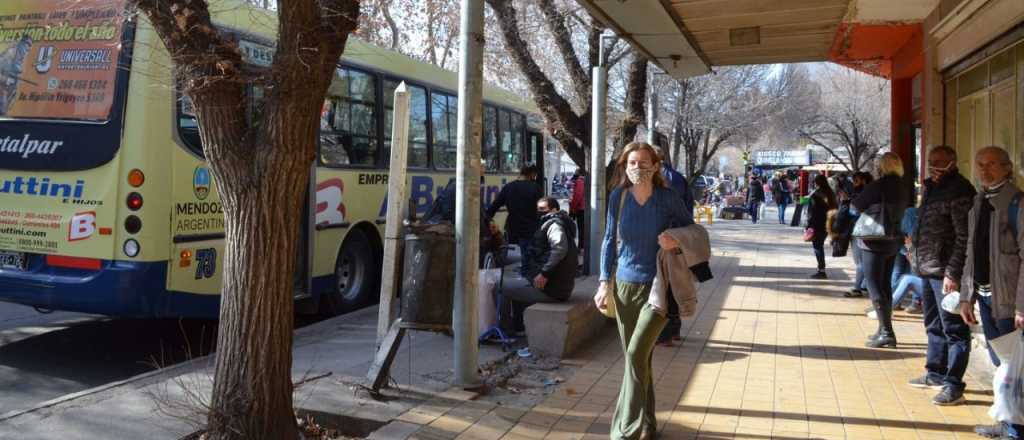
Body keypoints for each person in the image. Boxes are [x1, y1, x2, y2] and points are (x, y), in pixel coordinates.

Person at [593, 142, 693, 440]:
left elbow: (693, 230)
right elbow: (609, 240)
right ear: (625, 166)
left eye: (644, 162)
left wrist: (674, 240)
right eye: (632, 163)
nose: (638, 167)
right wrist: (603, 282)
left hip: (659, 287)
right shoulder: (618, 198)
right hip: (624, 287)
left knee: (636, 354)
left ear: (655, 165)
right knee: (640, 359)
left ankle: (625, 430)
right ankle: (649, 423)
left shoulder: (667, 198)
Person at [960, 146, 1024, 440]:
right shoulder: (979, 201)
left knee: (1016, 369)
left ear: (1007, 168)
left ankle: (1014, 430)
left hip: (1009, 301)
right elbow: (971, 253)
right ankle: (1006, 421)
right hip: (985, 297)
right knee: (1002, 366)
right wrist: (965, 295)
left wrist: (1022, 306)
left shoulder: (1017, 203)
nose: (984, 170)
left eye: (992, 165)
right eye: (980, 164)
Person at [910, 145, 975, 406]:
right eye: (931, 160)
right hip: (927, 268)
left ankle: (954, 384)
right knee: (933, 324)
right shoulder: (932, 187)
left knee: (955, 330)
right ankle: (935, 372)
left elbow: (963, 236)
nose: (934, 164)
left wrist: (953, 272)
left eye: (940, 161)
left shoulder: (960, 190)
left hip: (946, 272)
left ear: (953, 161)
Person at [852, 152, 909, 349]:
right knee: (885, 286)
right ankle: (883, 328)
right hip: (893, 240)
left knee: (874, 286)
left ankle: (886, 332)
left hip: (873, 240)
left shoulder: (878, 186)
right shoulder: (903, 186)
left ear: (882, 167)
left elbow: (857, 205)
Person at [499, 197, 578, 334]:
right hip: (558, 286)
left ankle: (505, 331)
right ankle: (520, 328)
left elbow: (559, 249)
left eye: (543, 209)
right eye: (538, 209)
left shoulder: (555, 225)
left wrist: (544, 273)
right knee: (519, 285)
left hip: (553, 289)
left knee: (502, 288)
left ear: (554, 210)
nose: (539, 212)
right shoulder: (558, 223)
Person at [655, 148, 693, 346]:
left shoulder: (662, 179)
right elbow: (688, 208)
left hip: (667, 239)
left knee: (666, 287)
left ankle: (666, 334)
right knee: (673, 285)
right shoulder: (678, 177)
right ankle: (674, 330)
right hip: (678, 237)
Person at [486, 165, 544, 271]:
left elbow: (494, 206)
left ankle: (527, 270)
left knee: (525, 250)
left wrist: (486, 219)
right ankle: (529, 273)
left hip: (515, 227)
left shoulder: (508, 187)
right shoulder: (535, 188)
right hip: (532, 227)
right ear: (532, 174)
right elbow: (542, 208)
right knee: (530, 252)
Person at [806, 174, 837, 279]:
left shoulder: (816, 195)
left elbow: (812, 212)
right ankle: (821, 269)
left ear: (816, 183)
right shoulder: (830, 193)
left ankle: (821, 270)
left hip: (817, 224)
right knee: (819, 245)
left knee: (817, 246)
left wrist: (809, 225)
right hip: (828, 222)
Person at [569, 169, 586, 251]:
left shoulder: (580, 181)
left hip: (581, 208)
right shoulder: (585, 180)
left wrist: (572, 207)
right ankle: (582, 246)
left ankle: (581, 247)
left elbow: (577, 195)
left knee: (581, 229)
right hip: (585, 207)